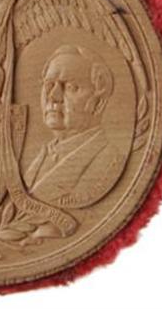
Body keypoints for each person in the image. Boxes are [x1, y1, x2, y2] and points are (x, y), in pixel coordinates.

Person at [24, 45, 127, 209]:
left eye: (71, 87)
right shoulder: (41, 156)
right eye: (49, 85)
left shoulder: (108, 162)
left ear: (98, 102)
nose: (53, 96)